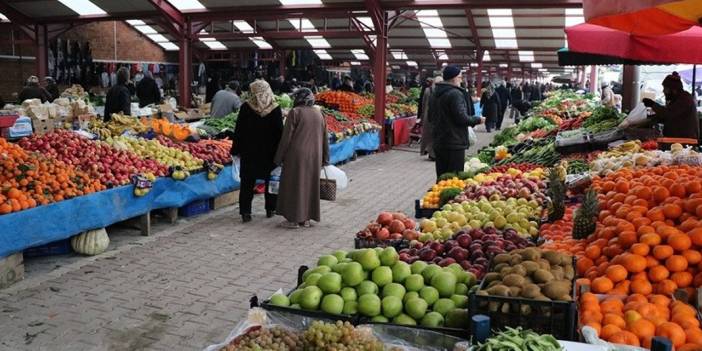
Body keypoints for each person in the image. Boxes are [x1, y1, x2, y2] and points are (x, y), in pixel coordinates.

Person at [274, 88, 329, 229]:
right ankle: (306, 219)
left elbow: (286, 138)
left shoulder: (295, 112)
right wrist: (325, 158)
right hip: (315, 155)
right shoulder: (319, 113)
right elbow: (325, 138)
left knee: (294, 185)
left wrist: (278, 157)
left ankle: (293, 220)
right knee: (310, 186)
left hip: (296, 155)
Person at [230, 79, 283, 223]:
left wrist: (236, 150)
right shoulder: (275, 108)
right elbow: (280, 133)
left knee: (247, 182)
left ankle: (245, 212)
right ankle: (270, 208)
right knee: (270, 181)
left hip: (249, 152)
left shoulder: (246, 107)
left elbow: (239, 130)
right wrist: (281, 153)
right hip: (269, 153)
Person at [429, 65, 485, 180]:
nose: (461, 80)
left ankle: (439, 196)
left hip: (439, 141)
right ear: (454, 78)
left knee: (442, 177)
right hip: (454, 142)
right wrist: (478, 120)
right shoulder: (455, 94)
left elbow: (430, 117)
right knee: (455, 178)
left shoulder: (435, 93)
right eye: (460, 77)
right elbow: (461, 118)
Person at [642, 72, 699, 141]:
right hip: (678, 139)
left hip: (685, 141)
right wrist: (649, 119)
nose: (663, 91)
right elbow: (668, 116)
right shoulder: (676, 99)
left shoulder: (685, 99)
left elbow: (668, 114)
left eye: (665, 88)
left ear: (674, 90)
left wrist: (652, 104)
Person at [420, 76, 441, 159]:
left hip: (427, 115)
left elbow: (423, 104)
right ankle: (433, 154)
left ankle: (430, 153)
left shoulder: (427, 90)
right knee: (435, 135)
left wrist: (422, 115)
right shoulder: (442, 91)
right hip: (437, 116)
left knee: (429, 135)